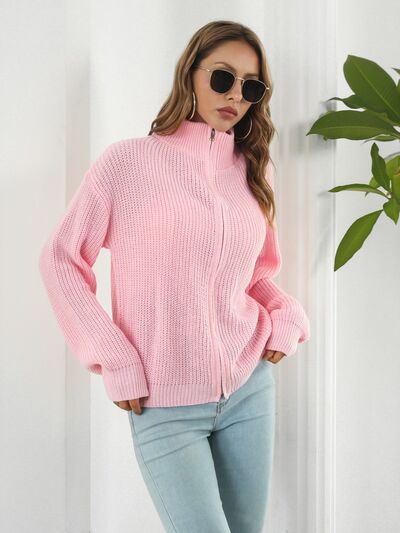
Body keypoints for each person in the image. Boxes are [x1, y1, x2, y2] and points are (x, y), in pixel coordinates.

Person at [39, 20, 310, 533]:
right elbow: (60, 259)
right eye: (223, 78)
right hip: (164, 402)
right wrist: (116, 357)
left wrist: (285, 311)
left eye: (251, 87)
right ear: (190, 74)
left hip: (249, 388)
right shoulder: (128, 164)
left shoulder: (253, 172)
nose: (235, 95)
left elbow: (253, 276)